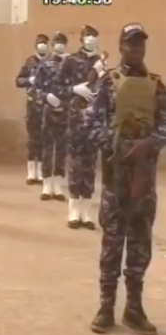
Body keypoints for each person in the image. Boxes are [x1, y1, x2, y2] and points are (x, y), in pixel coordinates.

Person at [87, 23, 165, 335]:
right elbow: (92, 121)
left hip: (143, 181)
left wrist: (150, 143)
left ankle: (134, 309)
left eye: (140, 44)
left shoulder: (156, 85)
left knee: (140, 244)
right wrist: (114, 144)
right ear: (121, 46)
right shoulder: (108, 82)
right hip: (115, 179)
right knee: (112, 243)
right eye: (131, 44)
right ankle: (106, 306)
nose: (136, 49)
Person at [58, 25, 104, 229]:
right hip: (76, 119)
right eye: (87, 36)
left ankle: (86, 211)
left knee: (90, 165)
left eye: (93, 36)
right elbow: (57, 87)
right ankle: (73, 210)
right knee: (76, 164)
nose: (91, 39)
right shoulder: (70, 60)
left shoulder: (101, 63)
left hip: (93, 120)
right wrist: (74, 89)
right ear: (81, 39)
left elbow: (107, 89)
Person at [35, 32, 69, 202]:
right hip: (48, 110)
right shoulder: (44, 63)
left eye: (62, 42)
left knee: (62, 149)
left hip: (65, 111)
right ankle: (47, 184)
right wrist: (46, 96)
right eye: (57, 42)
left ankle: (58, 185)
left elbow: (76, 86)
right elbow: (36, 88)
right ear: (53, 45)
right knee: (48, 147)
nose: (60, 45)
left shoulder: (71, 63)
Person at [15, 34, 49, 185]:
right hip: (32, 104)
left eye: (45, 43)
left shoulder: (50, 62)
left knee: (43, 138)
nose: (43, 46)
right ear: (36, 46)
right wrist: (29, 80)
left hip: (46, 105)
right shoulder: (29, 62)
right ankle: (31, 171)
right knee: (32, 138)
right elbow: (18, 81)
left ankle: (40, 171)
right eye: (40, 43)